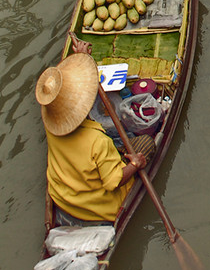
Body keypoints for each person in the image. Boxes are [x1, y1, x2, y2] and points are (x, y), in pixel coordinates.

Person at [36, 49, 151, 225]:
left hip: (62, 196)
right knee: (145, 143)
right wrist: (135, 163)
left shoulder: (51, 122)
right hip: (101, 207)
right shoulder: (97, 141)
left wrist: (83, 55)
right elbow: (114, 182)